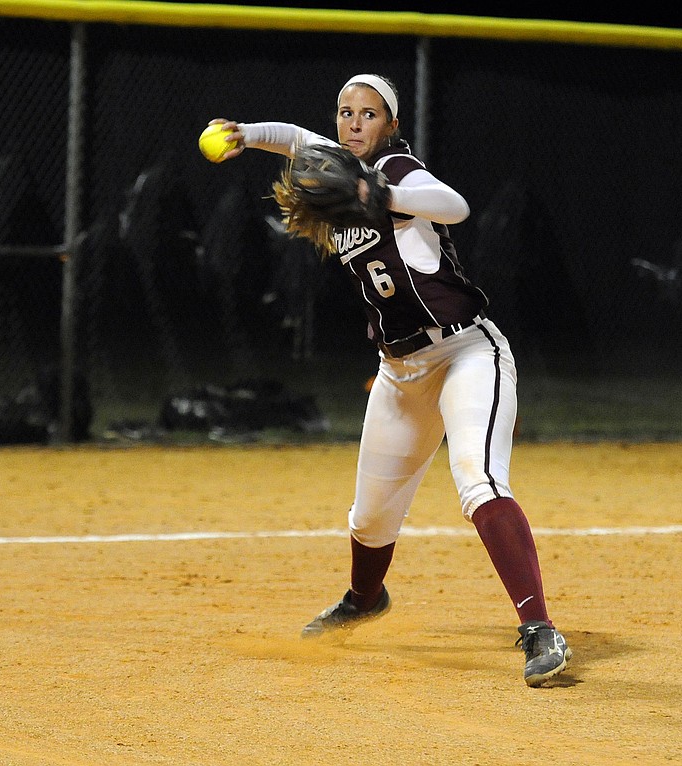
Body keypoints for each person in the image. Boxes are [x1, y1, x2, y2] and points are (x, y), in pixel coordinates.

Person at [209, 73, 571, 687]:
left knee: (479, 482)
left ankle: (539, 627)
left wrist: (378, 191)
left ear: (390, 125)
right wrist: (247, 135)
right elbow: (298, 140)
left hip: (465, 355)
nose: (353, 124)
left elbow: (453, 205)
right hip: (399, 374)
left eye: (368, 114)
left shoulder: (398, 171)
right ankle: (364, 599)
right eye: (346, 112)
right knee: (370, 519)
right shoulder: (338, 171)